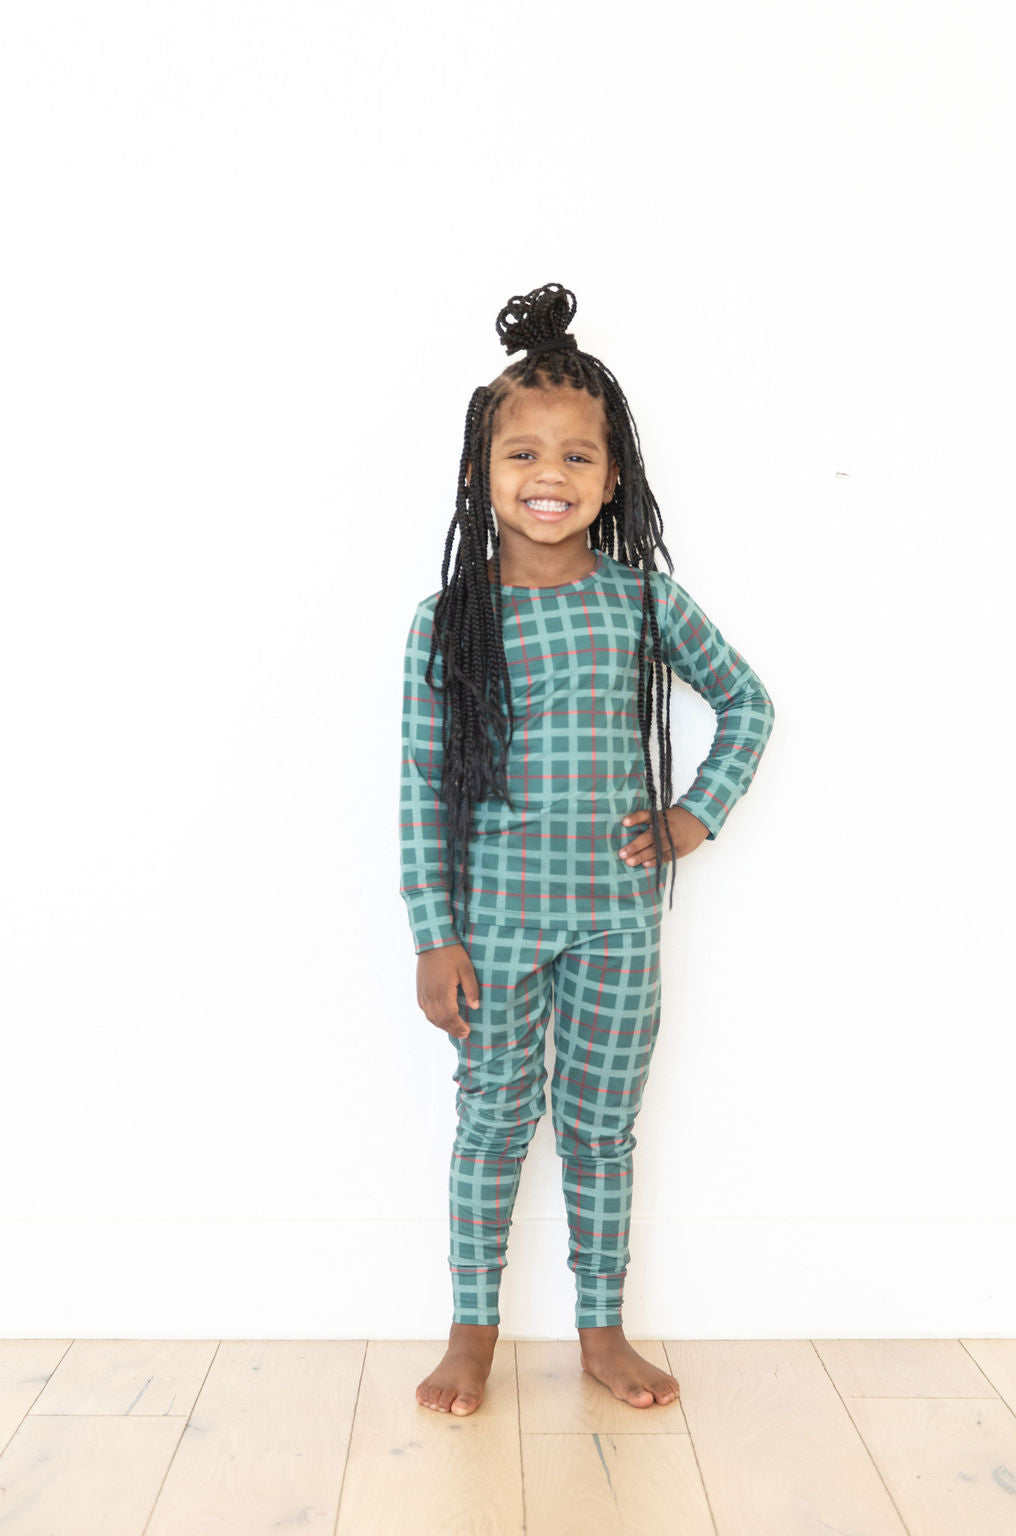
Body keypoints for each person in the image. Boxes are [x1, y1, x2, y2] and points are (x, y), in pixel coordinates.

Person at [399, 282, 775, 1417]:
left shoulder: (644, 602)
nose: (548, 474)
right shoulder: (449, 619)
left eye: (577, 455)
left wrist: (693, 816)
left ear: (614, 479)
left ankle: (602, 1329)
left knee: (601, 1130)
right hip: (496, 924)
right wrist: (434, 937)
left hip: (617, 919)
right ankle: (471, 1331)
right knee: (491, 1124)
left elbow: (747, 703)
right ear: (482, 473)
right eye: (522, 453)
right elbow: (420, 788)